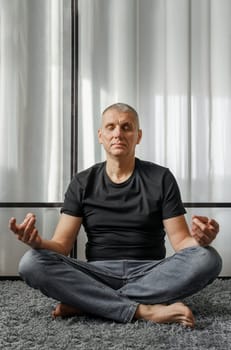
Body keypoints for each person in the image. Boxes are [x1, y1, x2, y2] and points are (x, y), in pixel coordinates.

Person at [9, 102, 222, 328]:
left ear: (138, 136)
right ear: (100, 135)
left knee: (208, 258)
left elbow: (181, 242)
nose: (118, 133)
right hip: (97, 273)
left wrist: (199, 241)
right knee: (31, 262)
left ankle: (89, 302)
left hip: (150, 272)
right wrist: (37, 242)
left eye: (126, 127)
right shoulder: (82, 182)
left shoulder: (161, 177)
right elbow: (61, 245)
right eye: (110, 127)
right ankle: (143, 310)